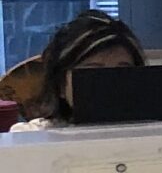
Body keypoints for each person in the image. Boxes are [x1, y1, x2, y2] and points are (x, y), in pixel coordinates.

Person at [5, 10, 144, 131]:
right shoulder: (31, 137)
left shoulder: (157, 132)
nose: (110, 84)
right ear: (61, 84)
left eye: (122, 72)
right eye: (93, 73)